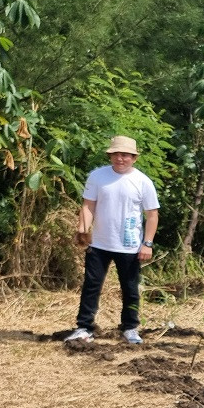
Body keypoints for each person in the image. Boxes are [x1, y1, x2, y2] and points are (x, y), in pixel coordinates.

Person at [65, 135, 160, 345]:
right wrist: (82, 230)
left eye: (125, 155)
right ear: (110, 155)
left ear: (134, 157)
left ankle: (130, 327)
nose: (120, 158)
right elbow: (88, 205)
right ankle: (84, 327)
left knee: (130, 288)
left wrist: (148, 243)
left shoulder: (143, 181)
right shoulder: (97, 177)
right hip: (99, 243)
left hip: (129, 245)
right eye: (116, 154)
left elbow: (152, 215)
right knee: (91, 285)